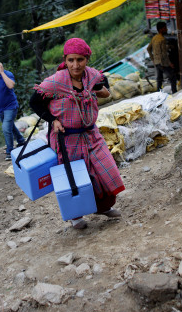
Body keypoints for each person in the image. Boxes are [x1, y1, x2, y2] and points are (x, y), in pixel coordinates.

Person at [29, 38, 125, 230]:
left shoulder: (91, 76)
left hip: (90, 133)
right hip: (66, 139)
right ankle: (75, 216)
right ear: (65, 60)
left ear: (86, 59)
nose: (75, 65)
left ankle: (104, 207)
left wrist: (100, 89)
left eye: (80, 60)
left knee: (102, 169)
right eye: (71, 60)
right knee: (73, 177)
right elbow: (35, 102)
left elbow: (101, 87)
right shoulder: (55, 82)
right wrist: (53, 120)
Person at [0, 56, 26, 161]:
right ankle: (21, 141)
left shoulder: (8, 74)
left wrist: (2, 73)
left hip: (10, 107)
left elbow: (11, 85)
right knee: (10, 126)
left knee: (6, 128)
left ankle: (10, 151)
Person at [147, 21, 177, 93]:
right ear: (161, 29)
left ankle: (158, 93)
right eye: (165, 28)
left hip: (157, 62)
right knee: (172, 77)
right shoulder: (162, 39)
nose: (166, 30)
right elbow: (164, 54)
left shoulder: (154, 38)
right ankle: (175, 93)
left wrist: (153, 59)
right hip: (162, 62)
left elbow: (148, 48)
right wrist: (169, 64)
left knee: (159, 79)